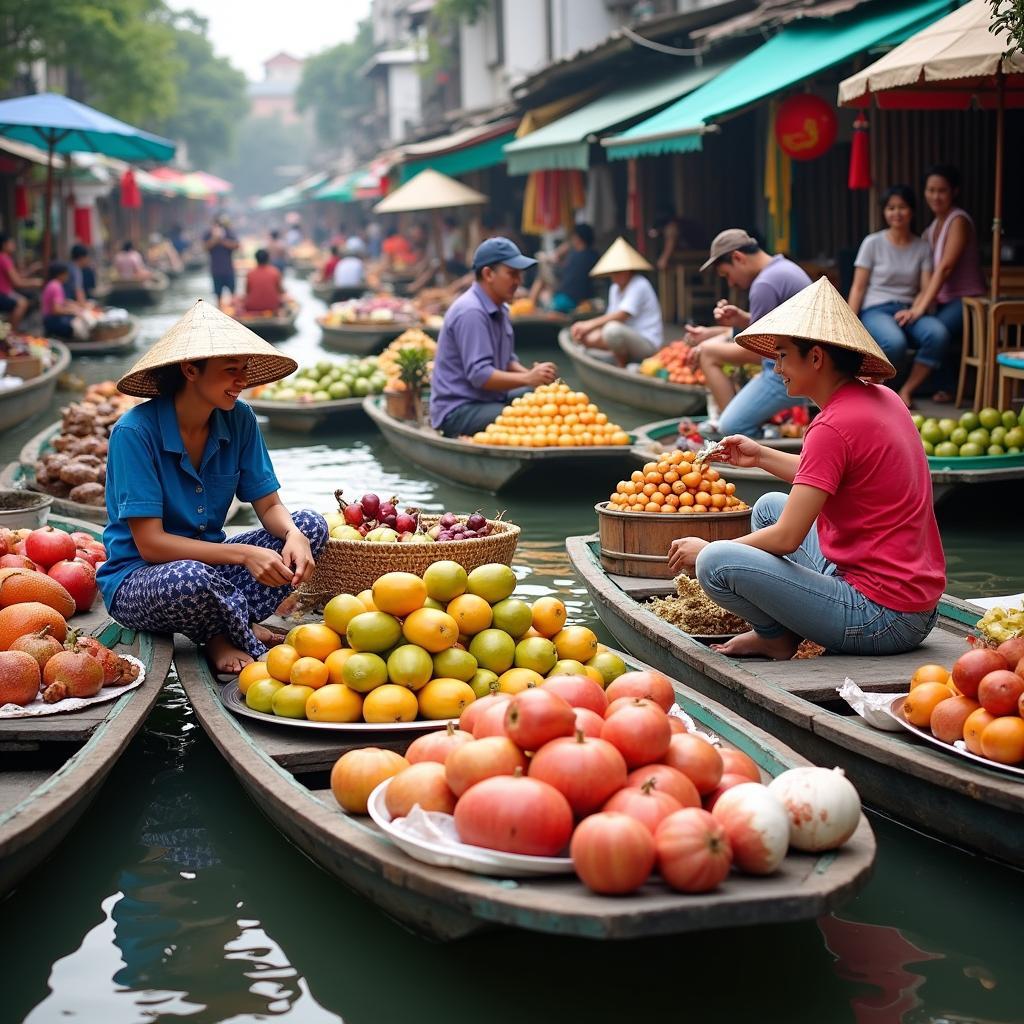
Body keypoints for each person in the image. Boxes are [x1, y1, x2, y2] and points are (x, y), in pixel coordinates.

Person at [667, 277, 945, 660]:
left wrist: (708, 548)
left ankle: (773, 637)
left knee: (715, 563)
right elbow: (835, 473)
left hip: (882, 617)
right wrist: (760, 455)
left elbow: (786, 540)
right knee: (767, 506)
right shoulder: (882, 397)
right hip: (917, 605)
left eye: (782, 356)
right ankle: (778, 633)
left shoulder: (831, 426)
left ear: (815, 358)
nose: (776, 367)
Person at [97, 299, 327, 674]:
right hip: (142, 580)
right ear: (190, 370)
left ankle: (229, 616)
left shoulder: (239, 419)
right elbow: (151, 544)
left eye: (245, 370)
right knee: (189, 576)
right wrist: (245, 556)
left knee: (311, 525)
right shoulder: (134, 433)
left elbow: (269, 506)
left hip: (211, 567)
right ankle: (223, 635)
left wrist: (293, 535)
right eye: (230, 370)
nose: (243, 381)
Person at [686, 230, 812, 438]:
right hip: (803, 364)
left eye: (727, 274)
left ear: (738, 257)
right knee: (711, 348)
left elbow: (758, 353)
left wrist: (706, 348)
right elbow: (777, 329)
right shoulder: (783, 268)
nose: (731, 283)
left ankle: (737, 437)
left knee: (707, 354)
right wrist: (742, 319)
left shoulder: (764, 284)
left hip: (787, 371)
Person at [429, 237, 557, 438]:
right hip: (459, 409)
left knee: (545, 402)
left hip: (488, 399)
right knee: (528, 417)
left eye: (519, 275)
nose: (518, 281)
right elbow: (480, 375)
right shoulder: (471, 312)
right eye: (512, 274)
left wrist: (535, 379)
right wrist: (527, 378)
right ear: (488, 274)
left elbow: (507, 361)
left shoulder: (501, 308)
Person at [847, 185, 950, 408]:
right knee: (894, 343)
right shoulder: (872, 243)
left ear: (912, 210)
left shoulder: (922, 247)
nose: (896, 213)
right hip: (876, 309)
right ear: (884, 212)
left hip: (909, 310)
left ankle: (907, 390)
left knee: (938, 333)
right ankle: (882, 396)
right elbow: (858, 287)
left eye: (902, 207)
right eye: (891, 208)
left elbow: (925, 288)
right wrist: (849, 322)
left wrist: (915, 310)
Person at [919, 164, 986, 400]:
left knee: (937, 328)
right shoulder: (931, 228)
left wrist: (919, 307)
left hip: (968, 299)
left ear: (954, 192)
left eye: (942, 191)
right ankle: (945, 385)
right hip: (944, 301)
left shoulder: (958, 220)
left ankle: (948, 386)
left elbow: (945, 267)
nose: (935, 196)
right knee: (925, 325)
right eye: (931, 190)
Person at [570, 237, 663, 365]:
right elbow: (610, 317)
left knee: (611, 331)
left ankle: (622, 366)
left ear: (628, 270)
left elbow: (621, 315)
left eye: (618, 272)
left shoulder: (639, 284)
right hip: (626, 337)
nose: (614, 276)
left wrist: (589, 325)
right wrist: (587, 332)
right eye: (612, 272)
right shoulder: (615, 288)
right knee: (586, 336)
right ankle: (620, 359)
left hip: (647, 343)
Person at [530, 223, 599, 313]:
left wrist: (559, 253)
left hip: (567, 299)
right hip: (580, 296)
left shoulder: (575, 255)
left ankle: (530, 303)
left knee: (542, 269)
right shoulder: (594, 255)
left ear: (577, 238)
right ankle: (530, 303)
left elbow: (563, 274)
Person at [0, 232, 41, 331]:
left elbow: (17, 277)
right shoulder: (4, 258)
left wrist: (31, 270)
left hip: (7, 292)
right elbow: (17, 282)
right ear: (4, 244)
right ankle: (11, 331)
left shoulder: (5, 258)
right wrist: (35, 282)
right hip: (3, 293)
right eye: (11, 243)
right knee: (22, 303)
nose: (13, 245)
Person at [40, 263, 80, 339]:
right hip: (52, 321)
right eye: (66, 274)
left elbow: (59, 301)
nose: (67, 277)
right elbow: (56, 310)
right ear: (60, 275)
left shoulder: (51, 284)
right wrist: (72, 311)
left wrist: (70, 304)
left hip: (47, 320)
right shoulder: (56, 286)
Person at [204, 215, 239, 300]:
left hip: (228, 269)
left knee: (233, 293)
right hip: (216, 270)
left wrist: (222, 240)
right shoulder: (208, 234)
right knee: (218, 295)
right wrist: (215, 239)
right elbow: (205, 247)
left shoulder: (228, 233)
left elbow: (236, 245)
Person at [243, 249, 286, 314]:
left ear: (256, 259)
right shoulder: (275, 272)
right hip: (272, 307)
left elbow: (247, 292)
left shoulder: (250, 273)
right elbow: (280, 291)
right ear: (268, 259)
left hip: (252, 307)